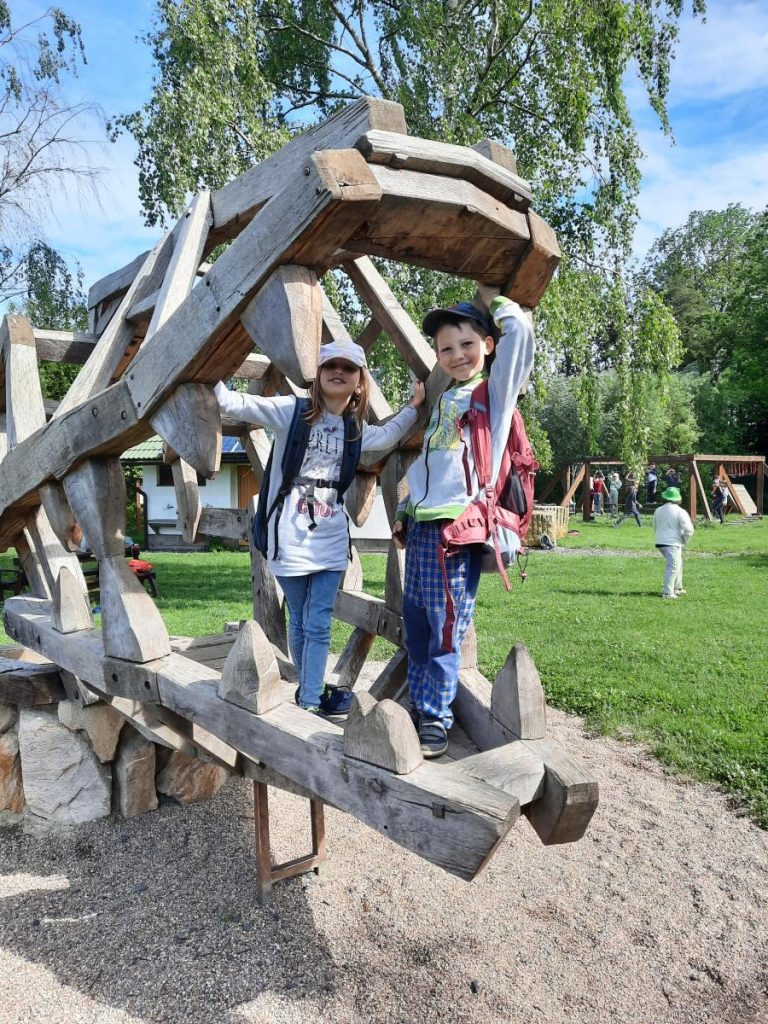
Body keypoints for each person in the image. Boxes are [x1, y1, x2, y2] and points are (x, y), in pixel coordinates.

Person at [215, 341, 425, 717]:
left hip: (329, 538)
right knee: (299, 616)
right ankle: (310, 689)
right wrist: (209, 368)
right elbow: (234, 403)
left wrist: (413, 407)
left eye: (349, 367)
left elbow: (388, 436)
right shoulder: (291, 411)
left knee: (317, 620)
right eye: (331, 365)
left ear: (359, 382)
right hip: (288, 536)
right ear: (319, 374)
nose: (339, 371)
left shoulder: (354, 430)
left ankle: (310, 699)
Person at [391, 291, 534, 757]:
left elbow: (520, 337)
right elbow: (431, 466)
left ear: (488, 346)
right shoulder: (444, 399)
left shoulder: (493, 394)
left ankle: (436, 716)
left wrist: (498, 302)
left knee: (445, 625)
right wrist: (406, 509)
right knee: (417, 622)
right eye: (446, 348)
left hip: (457, 528)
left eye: (468, 344)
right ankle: (420, 704)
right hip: (423, 526)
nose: (457, 355)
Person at [653, 486, 694, 598]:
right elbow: (689, 529)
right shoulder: (680, 511)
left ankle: (677, 587)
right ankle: (668, 592)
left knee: (677, 563)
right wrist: (685, 540)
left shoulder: (658, 510)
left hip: (660, 542)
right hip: (673, 543)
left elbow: (655, 526)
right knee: (673, 566)